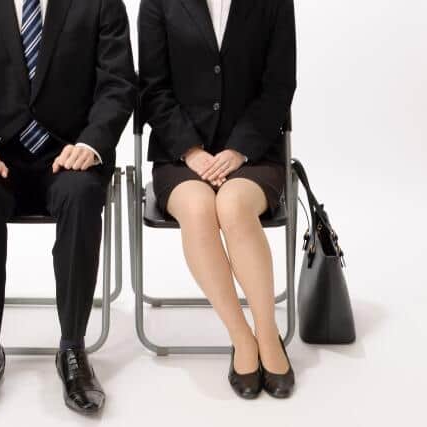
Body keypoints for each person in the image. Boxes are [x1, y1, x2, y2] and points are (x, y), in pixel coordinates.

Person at [0, 0, 135, 414]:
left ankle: (73, 349)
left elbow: (118, 84)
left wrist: (91, 143)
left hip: (69, 155)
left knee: (81, 194)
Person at [138, 0, 297, 399]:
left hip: (253, 152)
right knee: (198, 209)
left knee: (232, 205)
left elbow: (279, 85)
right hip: (181, 154)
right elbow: (153, 88)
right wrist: (191, 150)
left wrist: (240, 149)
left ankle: (267, 334)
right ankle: (241, 337)